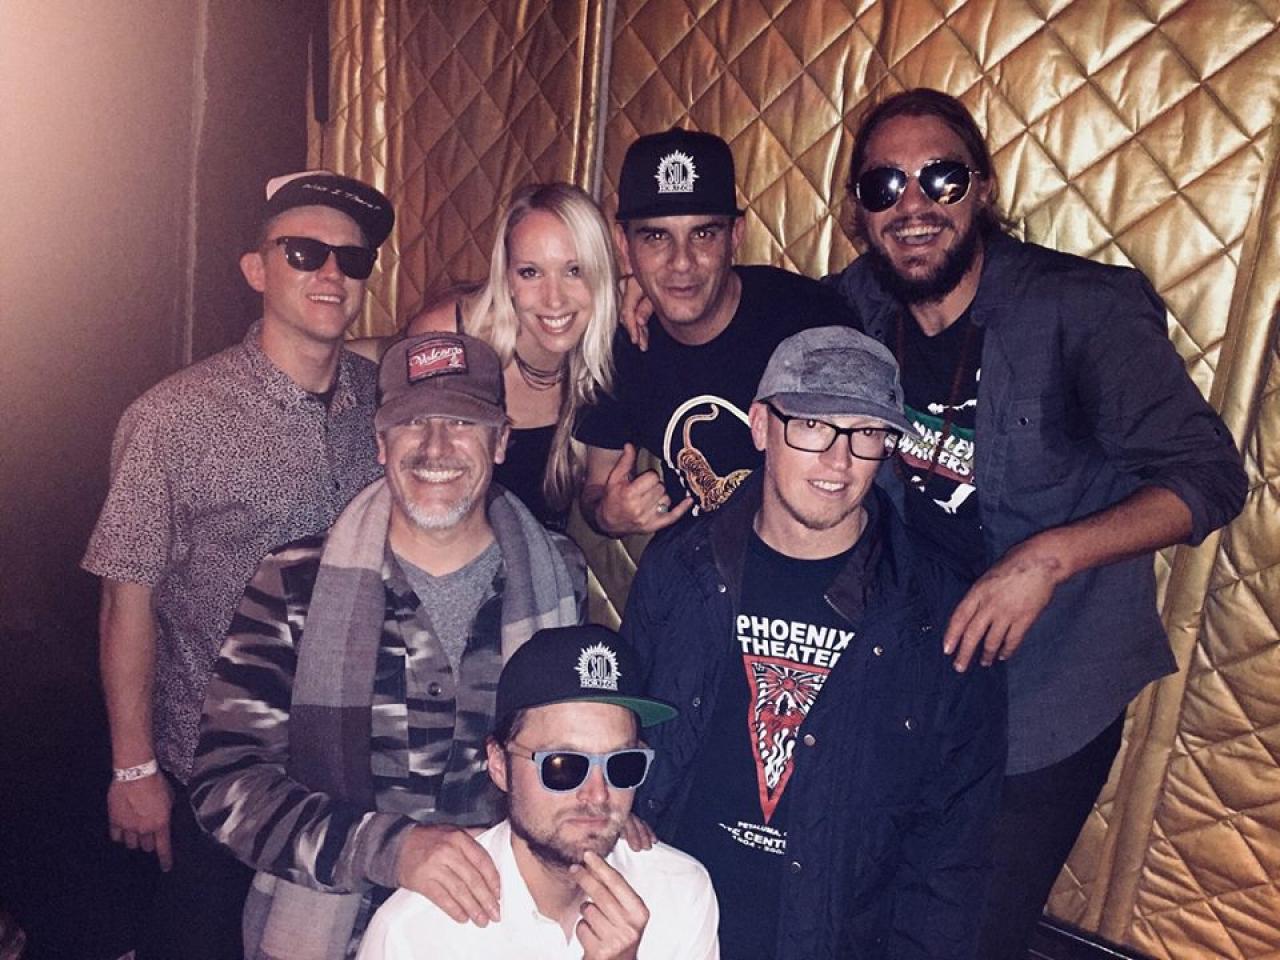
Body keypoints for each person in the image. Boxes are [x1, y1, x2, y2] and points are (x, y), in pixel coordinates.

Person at [828, 88, 1248, 959]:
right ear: (860, 210)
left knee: (972, 937)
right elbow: (738, 317)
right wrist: (651, 301)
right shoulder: (855, 306)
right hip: (910, 675)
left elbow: (1209, 476)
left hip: (1046, 693)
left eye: (941, 177)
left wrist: (1049, 558)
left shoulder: (1081, 309)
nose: (913, 204)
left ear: (982, 187)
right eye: (884, 185)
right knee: (862, 907)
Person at [188, 331, 587, 959]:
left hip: (505, 935)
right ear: (380, 442)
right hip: (330, 938)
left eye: (462, 421)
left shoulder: (559, 575)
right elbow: (224, 785)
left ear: (501, 441)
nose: (435, 447)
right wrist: (389, 850)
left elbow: (578, 755)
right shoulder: (291, 583)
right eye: (412, 422)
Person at [81, 169, 395, 959]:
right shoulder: (173, 419)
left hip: (349, 770)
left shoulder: (385, 404)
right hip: (214, 771)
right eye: (304, 253)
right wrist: (133, 768)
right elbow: (126, 599)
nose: (331, 273)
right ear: (256, 269)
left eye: (353, 259)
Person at [622, 326, 1006, 959]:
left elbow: (954, 847)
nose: (838, 460)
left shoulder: (937, 613)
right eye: (811, 425)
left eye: (865, 433)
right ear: (760, 426)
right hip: (671, 924)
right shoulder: (680, 568)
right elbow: (619, 729)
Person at [358, 625, 720, 960]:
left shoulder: (679, 892)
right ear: (499, 765)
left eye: (622, 764)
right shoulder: (415, 934)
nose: (597, 795)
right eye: (563, 766)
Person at [574, 128, 861, 538]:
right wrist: (609, 514)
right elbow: (596, 488)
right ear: (624, 244)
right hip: (693, 562)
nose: (681, 262)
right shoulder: (619, 343)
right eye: (656, 237)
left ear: (735, 236)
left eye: (703, 234)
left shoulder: (811, 323)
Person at [352, 183, 618, 533]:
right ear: (506, 277)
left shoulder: (613, 353)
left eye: (574, 270)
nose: (554, 299)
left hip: (541, 556)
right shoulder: (454, 337)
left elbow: (598, 499)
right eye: (530, 272)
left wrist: (615, 514)